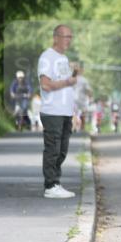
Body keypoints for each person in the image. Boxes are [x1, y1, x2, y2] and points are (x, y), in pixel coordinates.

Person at [38, 25, 79, 198]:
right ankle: (50, 185)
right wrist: (68, 82)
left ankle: (56, 183)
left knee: (62, 150)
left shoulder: (63, 58)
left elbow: (65, 81)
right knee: (53, 149)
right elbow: (46, 84)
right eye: (65, 36)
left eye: (70, 36)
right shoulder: (47, 57)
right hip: (52, 111)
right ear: (55, 37)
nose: (68, 39)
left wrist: (74, 74)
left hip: (65, 111)